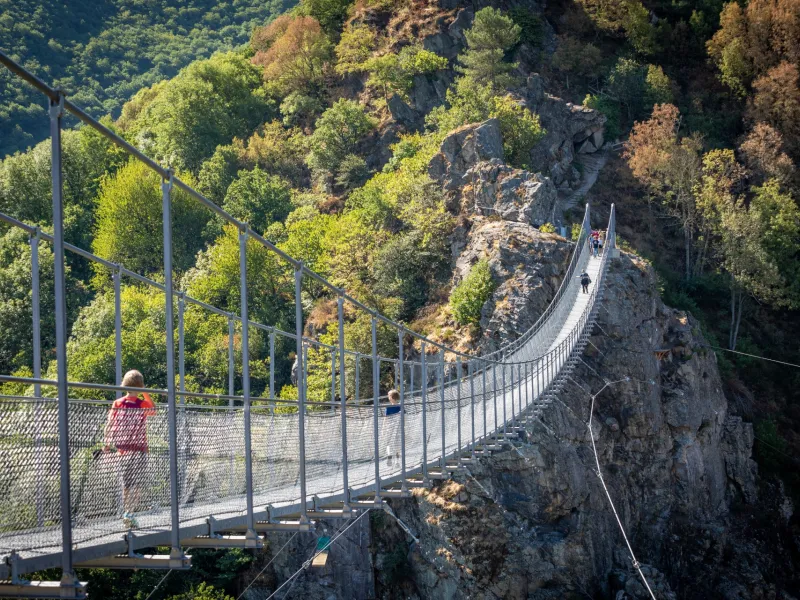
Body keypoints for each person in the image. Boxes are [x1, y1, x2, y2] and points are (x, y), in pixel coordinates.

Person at [103, 370, 156, 528]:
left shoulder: (117, 403)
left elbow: (109, 424)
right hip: (138, 449)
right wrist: (145, 392)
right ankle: (130, 513)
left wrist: (106, 443)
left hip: (122, 449)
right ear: (140, 387)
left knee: (126, 485)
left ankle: (126, 511)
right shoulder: (142, 404)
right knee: (137, 484)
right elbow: (153, 410)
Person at [384, 389, 402, 467]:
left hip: (391, 427)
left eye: (389, 396)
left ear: (391, 397)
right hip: (398, 428)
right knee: (397, 444)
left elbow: (385, 419)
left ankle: (389, 456)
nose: (388, 397)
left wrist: (384, 428)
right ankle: (396, 461)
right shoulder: (400, 406)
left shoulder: (389, 408)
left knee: (389, 443)